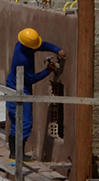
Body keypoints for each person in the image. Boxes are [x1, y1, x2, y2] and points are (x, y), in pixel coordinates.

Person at [6, 27, 63, 160]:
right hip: (19, 90)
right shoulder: (22, 60)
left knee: (16, 121)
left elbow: (42, 45)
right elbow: (30, 79)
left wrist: (57, 49)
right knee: (25, 122)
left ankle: (15, 154)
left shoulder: (21, 44)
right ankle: (17, 154)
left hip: (12, 87)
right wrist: (47, 71)